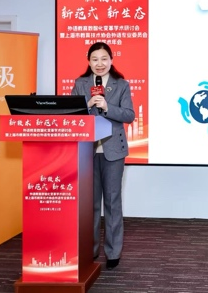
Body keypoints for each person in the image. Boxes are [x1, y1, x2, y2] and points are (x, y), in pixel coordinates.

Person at [72, 41, 135, 270]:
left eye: (104, 59)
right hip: (86, 151)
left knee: (112, 201)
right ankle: (89, 251)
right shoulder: (80, 84)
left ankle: (113, 252)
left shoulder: (121, 85)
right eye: (95, 59)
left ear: (111, 60)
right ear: (89, 61)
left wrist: (107, 107)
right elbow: (72, 116)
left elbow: (129, 115)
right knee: (89, 204)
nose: (100, 64)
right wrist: (88, 105)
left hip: (113, 151)